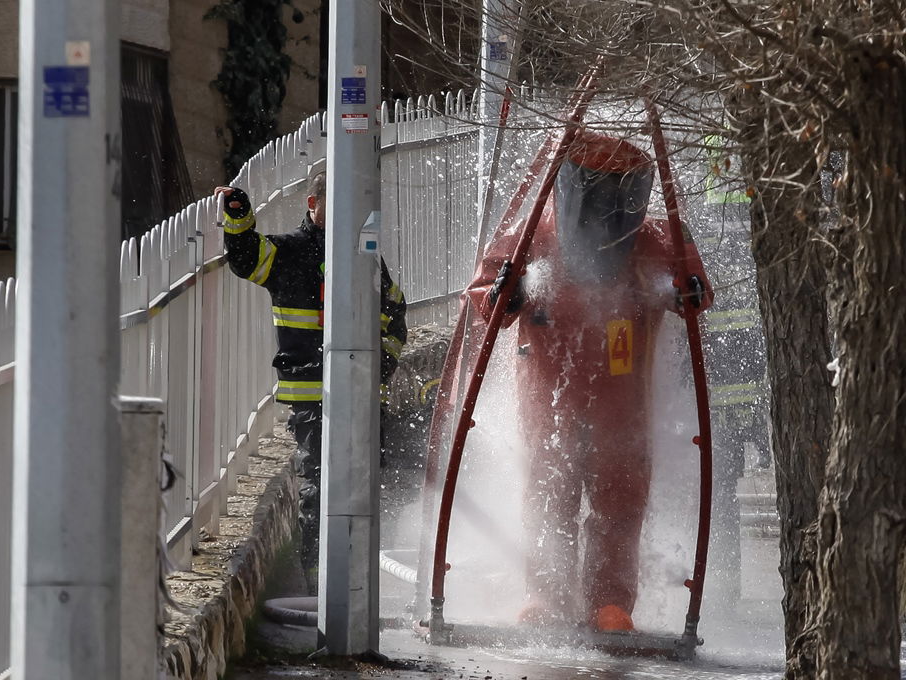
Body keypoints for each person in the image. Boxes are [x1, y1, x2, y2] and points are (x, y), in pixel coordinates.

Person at [466, 130, 713, 632]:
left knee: (620, 502)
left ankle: (610, 603)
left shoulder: (660, 239)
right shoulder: (531, 235)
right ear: (571, 189)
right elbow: (483, 294)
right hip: (549, 399)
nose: (605, 213)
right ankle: (546, 596)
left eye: (619, 196)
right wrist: (501, 296)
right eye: (596, 194)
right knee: (547, 495)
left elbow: (696, 291)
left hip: (623, 408)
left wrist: (688, 292)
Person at [215, 172, 408, 594]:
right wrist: (238, 217)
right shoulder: (290, 252)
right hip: (313, 399)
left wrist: (381, 368)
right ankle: (321, 588)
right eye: (334, 203)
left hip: (363, 396)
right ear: (312, 204)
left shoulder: (366, 255)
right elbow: (247, 258)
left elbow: (394, 310)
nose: (345, 214)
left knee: (364, 489)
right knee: (320, 490)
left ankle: (360, 585)